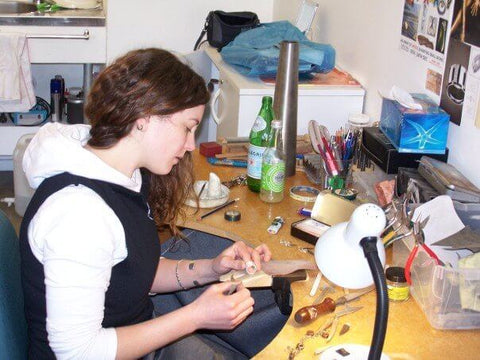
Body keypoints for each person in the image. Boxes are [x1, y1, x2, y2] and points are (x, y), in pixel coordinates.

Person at [19, 48, 286, 360]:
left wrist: (211, 269)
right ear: (144, 117)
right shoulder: (79, 214)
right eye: (188, 127)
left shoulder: (122, 174)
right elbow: (79, 351)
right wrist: (195, 317)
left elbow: (129, 271)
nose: (190, 146)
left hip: (137, 333)